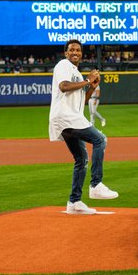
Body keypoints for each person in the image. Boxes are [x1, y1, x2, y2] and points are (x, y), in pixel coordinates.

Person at [49, 39, 118, 215]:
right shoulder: (62, 65)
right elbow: (63, 87)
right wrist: (88, 80)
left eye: (78, 50)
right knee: (100, 139)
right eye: (71, 49)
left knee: (81, 159)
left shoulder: (77, 74)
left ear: (81, 53)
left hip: (71, 117)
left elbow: (81, 102)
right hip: (66, 118)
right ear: (65, 53)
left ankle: (74, 202)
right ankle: (96, 185)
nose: (75, 52)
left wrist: (90, 87)